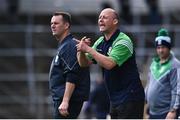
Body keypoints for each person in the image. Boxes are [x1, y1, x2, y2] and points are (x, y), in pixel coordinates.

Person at [76, 8, 145, 119]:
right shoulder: (100, 42)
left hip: (130, 97)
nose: (100, 20)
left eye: (105, 17)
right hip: (114, 99)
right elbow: (83, 63)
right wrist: (81, 51)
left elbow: (110, 64)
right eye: (99, 18)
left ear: (115, 21)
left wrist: (88, 49)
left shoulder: (123, 41)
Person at [49, 12, 90, 119]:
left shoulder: (69, 45)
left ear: (66, 25)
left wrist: (65, 101)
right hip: (63, 99)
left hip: (68, 101)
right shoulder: (64, 45)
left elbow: (72, 74)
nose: (53, 25)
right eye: (51, 23)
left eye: (56, 23)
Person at [145, 28, 180, 119]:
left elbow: (176, 89)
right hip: (152, 112)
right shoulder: (154, 63)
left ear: (169, 48)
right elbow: (149, 85)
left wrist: (173, 110)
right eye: (158, 47)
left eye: (163, 47)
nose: (160, 50)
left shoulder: (175, 64)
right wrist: (146, 104)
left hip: (166, 113)